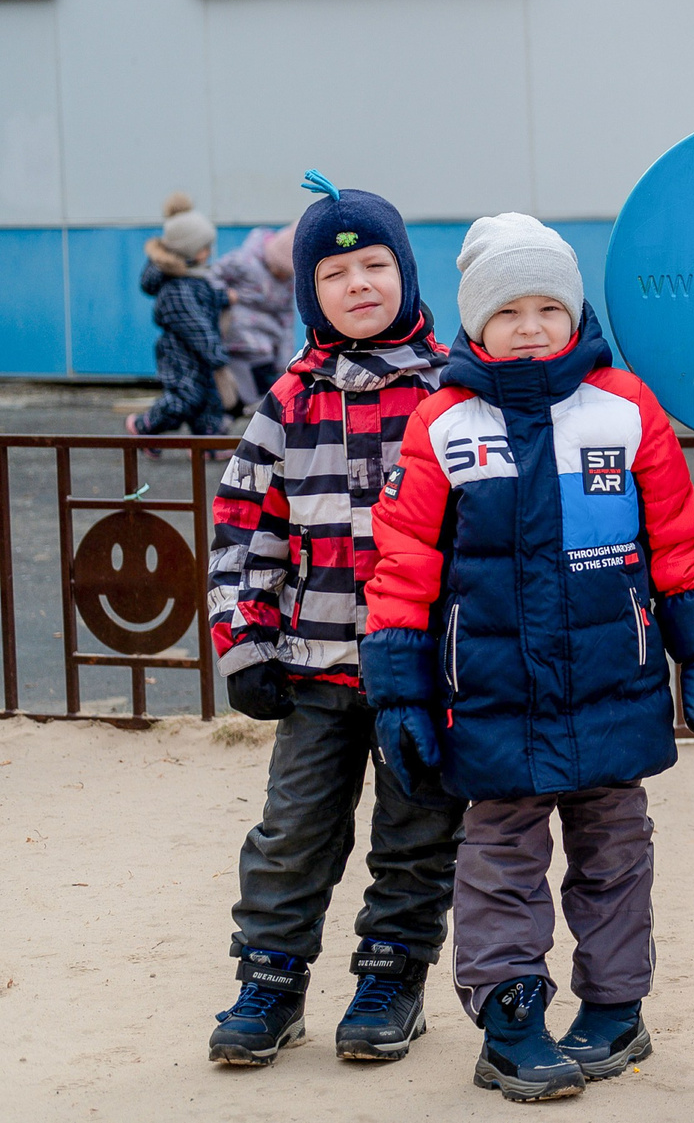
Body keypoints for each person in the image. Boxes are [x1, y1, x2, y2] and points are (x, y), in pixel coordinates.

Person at [363, 214, 694, 1101]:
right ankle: (512, 1020)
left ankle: (614, 1007)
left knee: (616, 850)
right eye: (508, 310)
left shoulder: (624, 407)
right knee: (500, 858)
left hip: (613, 680)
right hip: (494, 693)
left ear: (574, 312)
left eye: (547, 307)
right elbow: (403, 562)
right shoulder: (443, 423)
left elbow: (677, 536)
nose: (530, 327)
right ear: (475, 321)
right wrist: (400, 695)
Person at [204, 173, 460, 1067]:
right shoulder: (289, 401)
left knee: (418, 828)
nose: (359, 285)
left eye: (376, 266)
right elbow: (243, 530)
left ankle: (391, 978)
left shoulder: (452, 394)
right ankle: (270, 981)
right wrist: (244, 643)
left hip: (423, 671)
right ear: (311, 292)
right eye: (335, 275)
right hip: (314, 667)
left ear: (408, 273)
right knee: (294, 827)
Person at [131, 193, 231, 440]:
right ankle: (144, 426)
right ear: (188, 251)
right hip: (179, 354)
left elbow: (207, 298)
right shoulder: (177, 289)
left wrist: (225, 297)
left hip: (198, 353)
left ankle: (207, 441)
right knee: (185, 397)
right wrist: (218, 356)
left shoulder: (194, 276)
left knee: (208, 398)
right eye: (204, 247)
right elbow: (196, 326)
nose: (209, 252)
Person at [212, 225, 300, 404]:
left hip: (268, 338)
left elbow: (286, 318)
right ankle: (246, 401)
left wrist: (285, 362)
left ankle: (259, 401)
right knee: (249, 373)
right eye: (278, 269)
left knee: (268, 367)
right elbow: (211, 277)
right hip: (238, 331)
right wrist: (225, 295)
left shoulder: (287, 281)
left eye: (286, 273)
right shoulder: (243, 261)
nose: (280, 276)